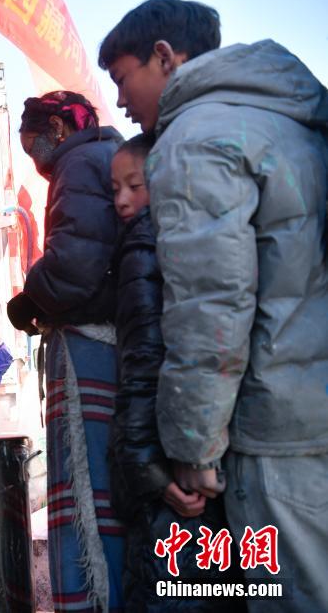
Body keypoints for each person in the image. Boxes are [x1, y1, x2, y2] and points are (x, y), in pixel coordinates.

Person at [99, 0, 328, 611]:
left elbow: (210, 308)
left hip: (275, 428)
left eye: (122, 78)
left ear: (164, 57)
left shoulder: (196, 138)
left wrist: (194, 448)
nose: (120, 101)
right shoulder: (290, 118)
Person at [109, 134, 244, 612]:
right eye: (114, 189)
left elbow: (143, 366)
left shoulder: (144, 246)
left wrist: (149, 472)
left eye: (135, 185)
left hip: (170, 473)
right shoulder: (203, 234)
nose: (122, 200)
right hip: (207, 463)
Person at [6, 91, 125, 612]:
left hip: (89, 349)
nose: (34, 158)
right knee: (108, 492)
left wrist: (32, 295)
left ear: (57, 127)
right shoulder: (106, 157)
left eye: (32, 142)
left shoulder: (78, 164)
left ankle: (93, 600)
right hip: (113, 344)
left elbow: (75, 264)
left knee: (86, 490)